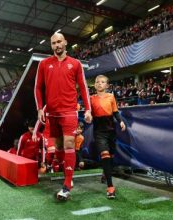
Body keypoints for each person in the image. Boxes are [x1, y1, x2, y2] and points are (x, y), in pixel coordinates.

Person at [34, 32, 92, 200]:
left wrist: (87, 109)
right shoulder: (44, 64)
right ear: (51, 45)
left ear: (65, 42)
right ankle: (67, 172)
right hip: (52, 113)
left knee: (68, 144)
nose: (57, 45)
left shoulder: (75, 64)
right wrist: (40, 108)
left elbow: (83, 87)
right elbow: (38, 88)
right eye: (53, 43)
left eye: (59, 41)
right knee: (58, 147)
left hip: (69, 112)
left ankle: (67, 185)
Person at [90, 75, 126, 199]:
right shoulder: (90, 98)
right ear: (94, 85)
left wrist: (120, 121)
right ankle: (110, 187)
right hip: (99, 131)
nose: (100, 84)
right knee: (105, 154)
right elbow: (88, 113)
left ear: (107, 85)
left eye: (103, 82)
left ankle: (105, 173)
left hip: (111, 130)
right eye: (97, 82)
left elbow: (115, 111)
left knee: (110, 156)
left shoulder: (111, 96)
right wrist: (88, 116)